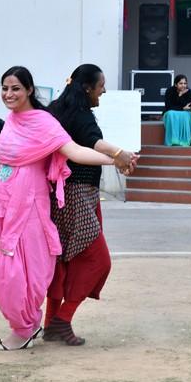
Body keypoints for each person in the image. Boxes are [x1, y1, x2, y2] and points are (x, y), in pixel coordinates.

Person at [0, 66, 117, 351]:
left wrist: (114, 159)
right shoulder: (13, 120)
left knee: (24, 271)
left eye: (16, 88)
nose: (8, 94)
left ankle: (27, 329)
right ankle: (35, 325)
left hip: (32, 205)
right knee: (5, 272)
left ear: (29, 90)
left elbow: (75, 151)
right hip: (8, 205)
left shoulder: (44, 121)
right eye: (5, 88)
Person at [45, 64, 138, 346]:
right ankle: (62, 320)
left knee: (63, 259)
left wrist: (118, 157)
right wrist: (119, 154)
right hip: (76, 195)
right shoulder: (79, 113)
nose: (104, 91)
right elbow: (93, 141)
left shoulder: (56, 110)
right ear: (87, 88)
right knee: (98, 260)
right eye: (101, 86)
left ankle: (51, 323)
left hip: (60, 194)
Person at [162, 74, 191, 146]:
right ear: (176, 84)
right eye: (181, 83)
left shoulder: (190, 92)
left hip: (185, 112)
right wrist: (182, 107)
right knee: (171, 114)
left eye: (185, 83)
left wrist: (181, 96)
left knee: (186, 114)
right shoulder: (169, 91)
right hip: (171, 111)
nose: (183, 85)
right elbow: (168, 106)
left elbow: (188, 106)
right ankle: (173, 140)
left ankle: (185, 140)